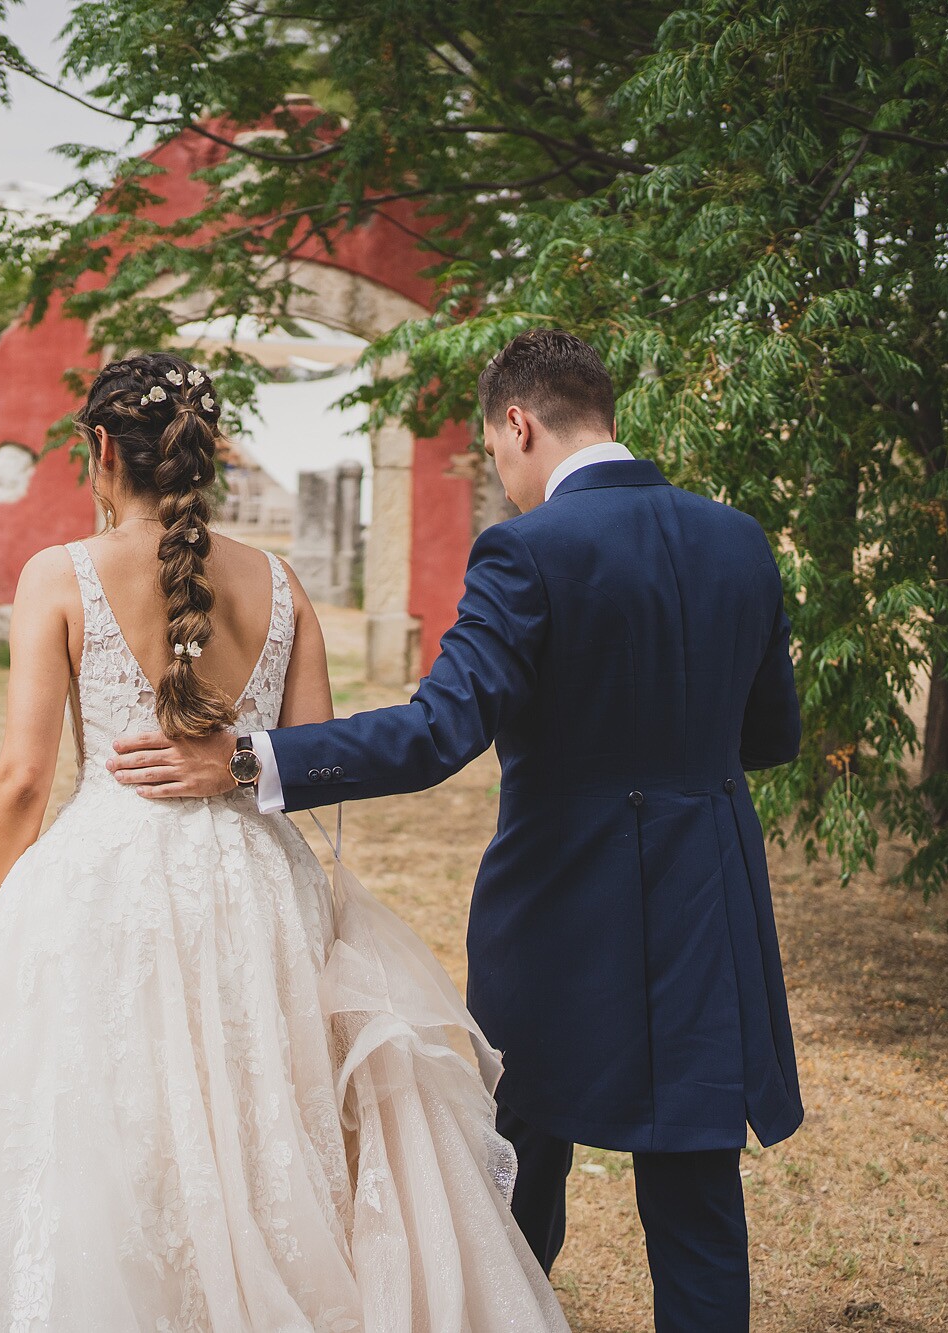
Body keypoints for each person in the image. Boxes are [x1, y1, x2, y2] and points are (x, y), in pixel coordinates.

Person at [0, 351, 570, 1332]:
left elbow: (23, 777)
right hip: (258, 885)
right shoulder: (280, 584)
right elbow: (310, 760)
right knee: (258, 1122)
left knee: (104, 1121)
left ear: (101, 451)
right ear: (204, 457)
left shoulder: (58, 575)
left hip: (104, 877)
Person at [112, 330, 804, 1333]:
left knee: (519, 1166)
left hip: (564, 903)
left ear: (516, 424)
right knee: (696, 1193)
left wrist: (248, 756)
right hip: (709, 893)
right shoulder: (737, 538)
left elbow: (439, 731)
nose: (504, 482)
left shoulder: (527, 549)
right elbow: (769, 734)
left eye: (494, 456)